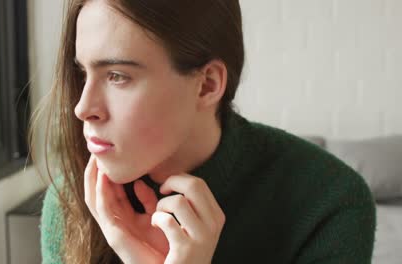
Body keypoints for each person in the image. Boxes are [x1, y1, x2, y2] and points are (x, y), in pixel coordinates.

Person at [33, 0, 376, 263]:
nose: (82, 107)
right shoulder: (71, 203)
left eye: (117, 76)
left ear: (207, 85)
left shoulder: (329, 202)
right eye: (82, 73)